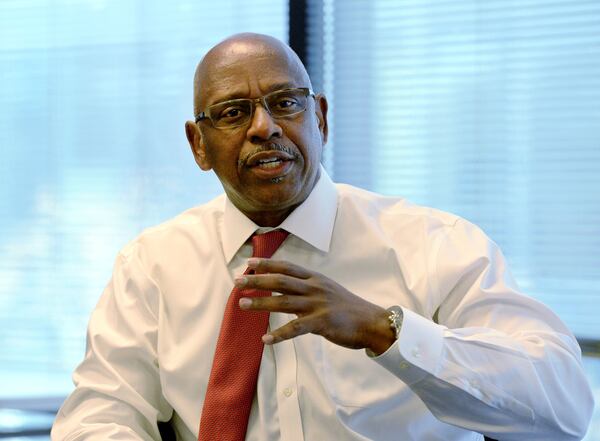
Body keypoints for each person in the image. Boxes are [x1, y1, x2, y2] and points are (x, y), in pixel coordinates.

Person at [51, 33, 594, 441]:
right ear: (198, 144)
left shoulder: (435, 244)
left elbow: (565, 403)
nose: (264, 127)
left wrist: (388, 331)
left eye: (285, 102)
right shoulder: (153, 265)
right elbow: (100, 413)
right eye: (234, 112)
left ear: (321, 119)